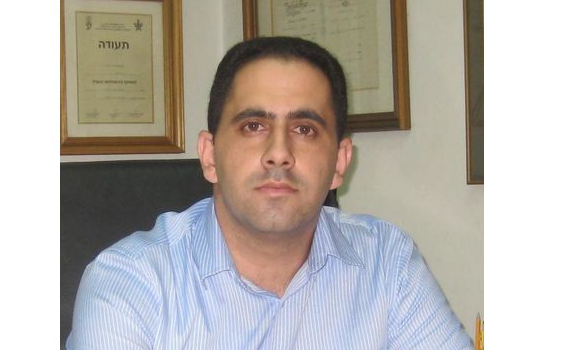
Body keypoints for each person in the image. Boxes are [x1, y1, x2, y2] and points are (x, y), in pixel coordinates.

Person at [67, 37, 473, 349]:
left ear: (339, 162)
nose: (279, 153)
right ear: (209, 155)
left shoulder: (387, 262)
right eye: (253, 126)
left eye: (305, 129)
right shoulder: (130, 281)